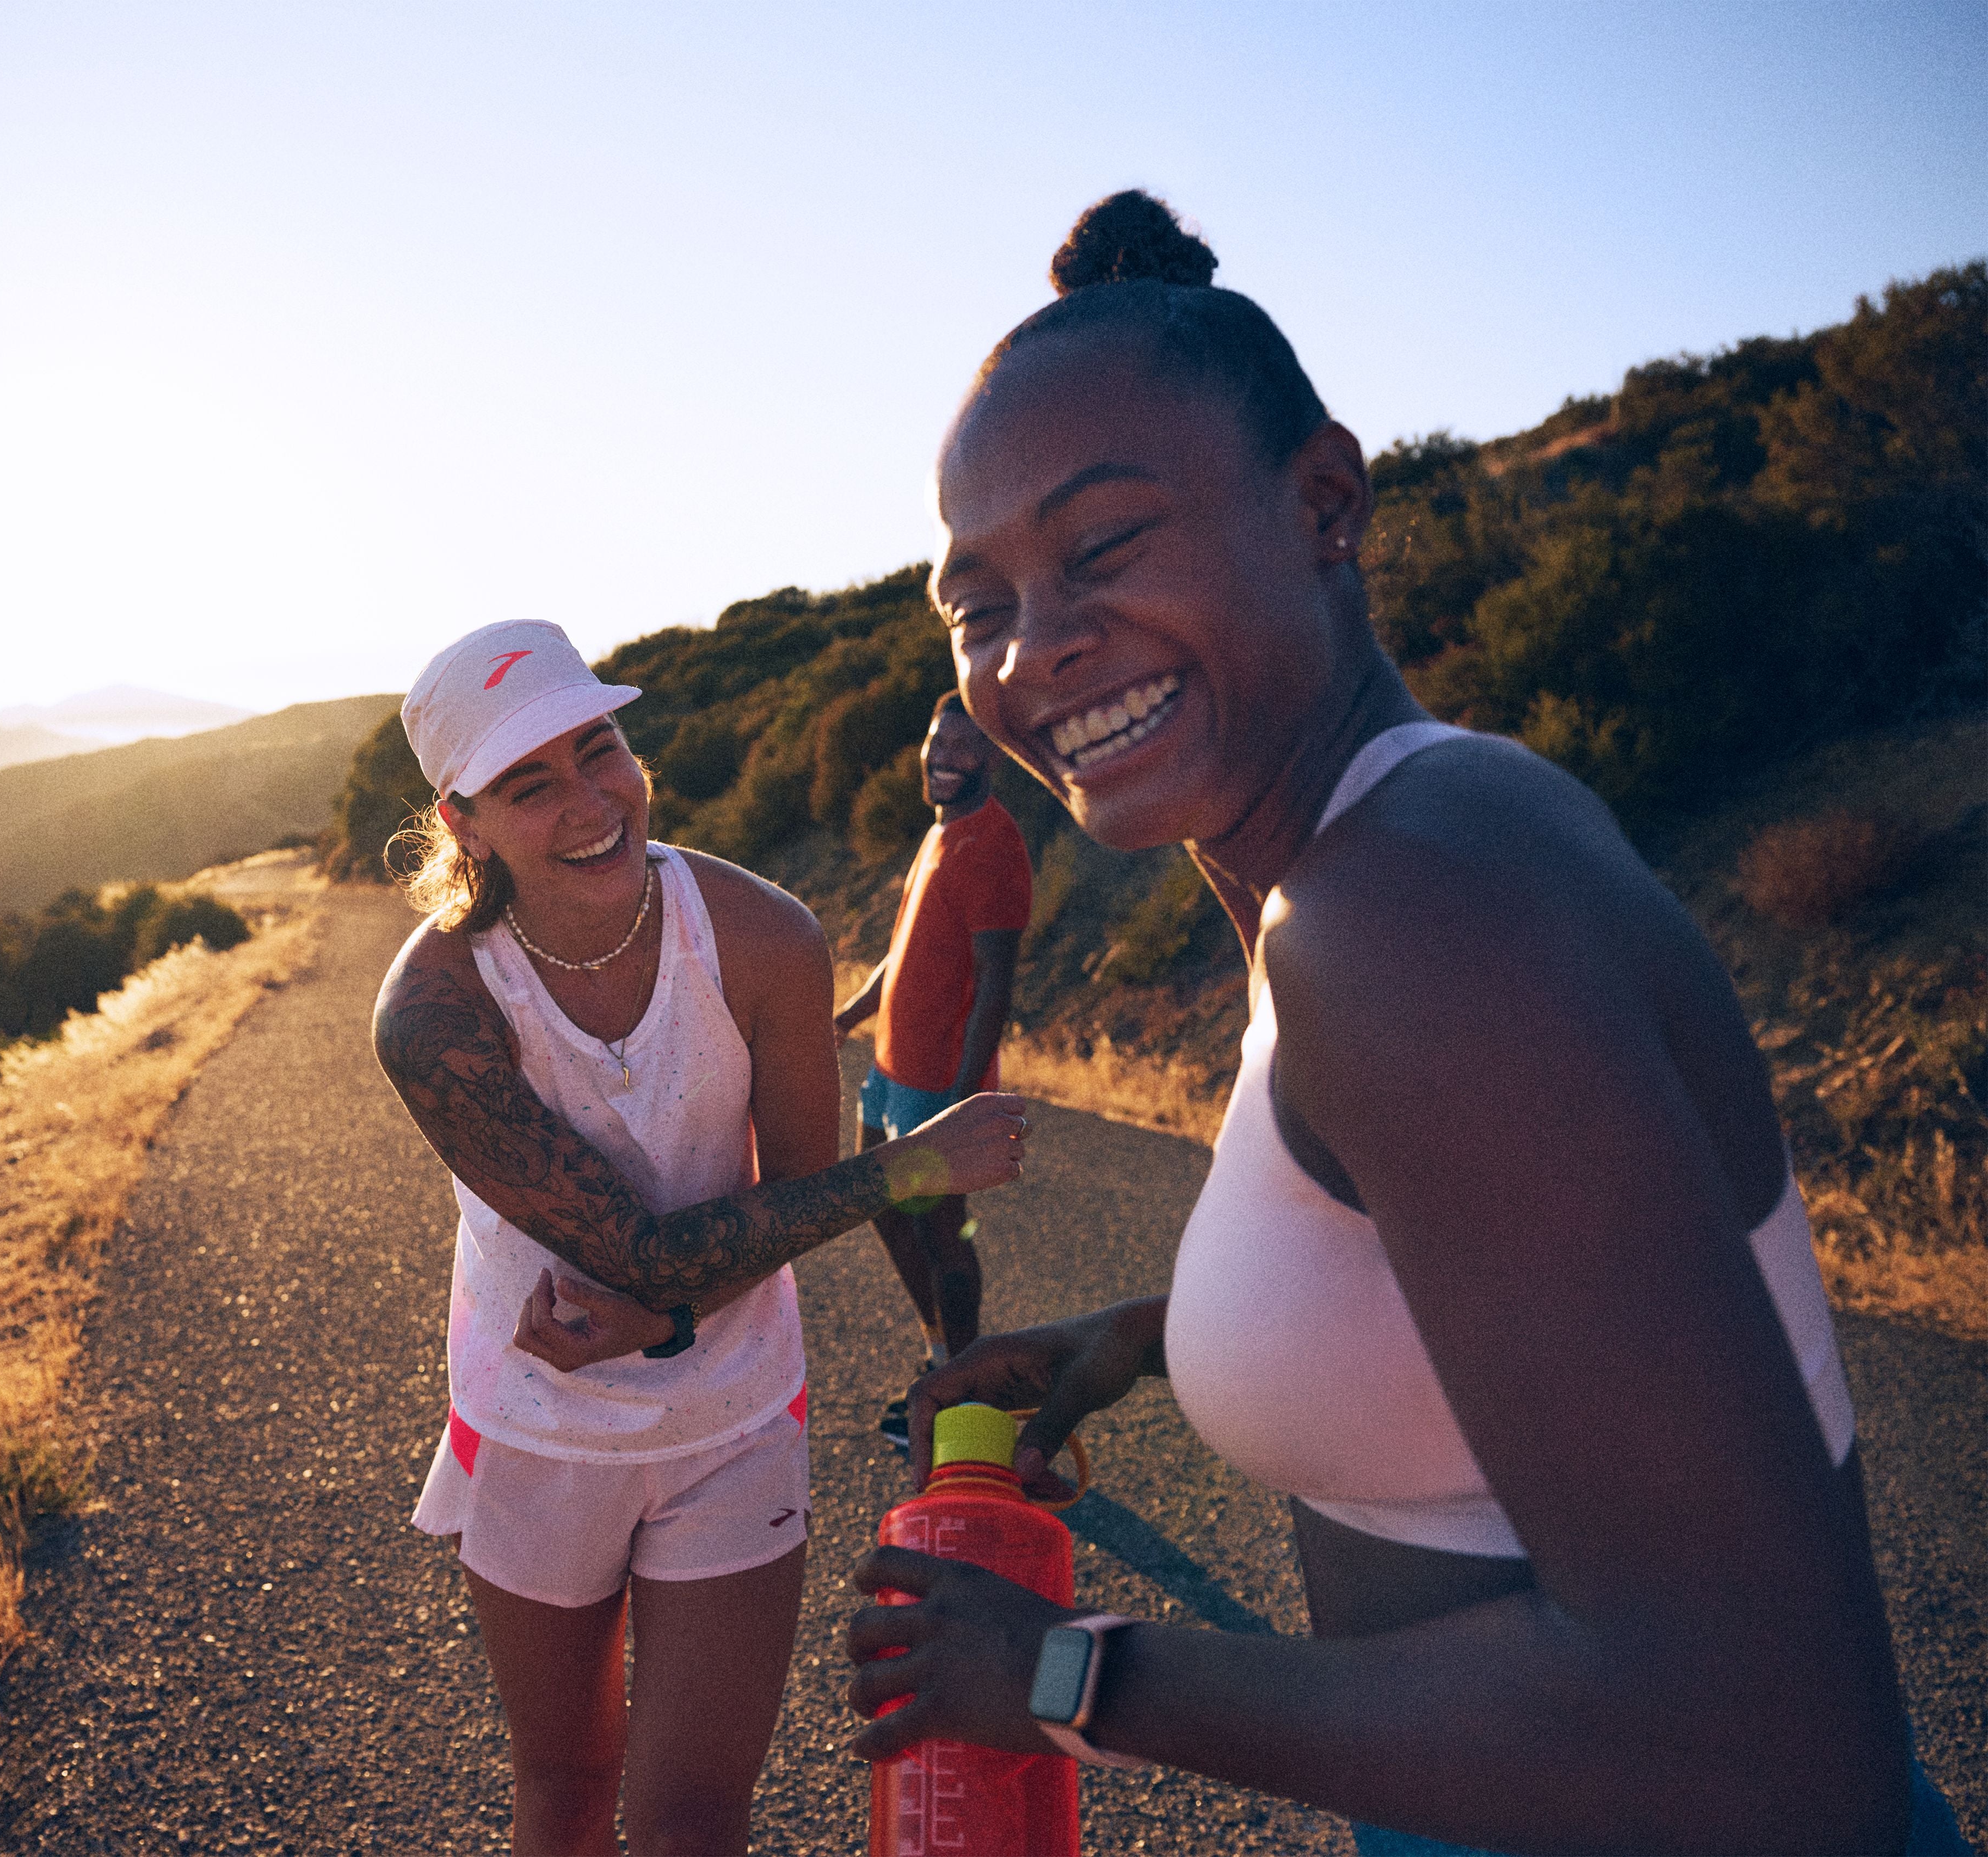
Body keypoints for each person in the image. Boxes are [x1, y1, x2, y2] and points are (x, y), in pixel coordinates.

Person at [841, 192, 1972, 1856]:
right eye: (977, 598)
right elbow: (1515, 1268)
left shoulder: (1408, 921)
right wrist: (1150, 1334)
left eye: (1105, 545)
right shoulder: (1392, 839)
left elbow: (1767, 1740)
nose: (1033, 650)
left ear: (1324, 502)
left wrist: (1070, 1669)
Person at [373, 619, 1030, 1857]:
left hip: (733, 1418)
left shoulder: (764, 936)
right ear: (463, 823)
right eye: (530, 783)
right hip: (538, 1424)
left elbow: (790, 1195)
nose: (589, 801)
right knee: (564, 1788)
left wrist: (676, 1313)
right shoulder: (436, 1011)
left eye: (598, 748)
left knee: (692, 1820)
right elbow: (644, 1248)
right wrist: (908, 1166)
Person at [832, 691, 1032, 1447]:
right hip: (891, 1070)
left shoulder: (994, 845)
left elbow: (996, 984)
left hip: (937, 1085)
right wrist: (851, 1014)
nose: (946, 756)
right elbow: (907, 948)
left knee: (945, 1235)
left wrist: (962, 1104)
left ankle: (965, 1391)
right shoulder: (942, 832)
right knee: (883, 1206)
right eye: (936, 740)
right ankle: (943, 1356)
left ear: (995, 757)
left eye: (966, 745)